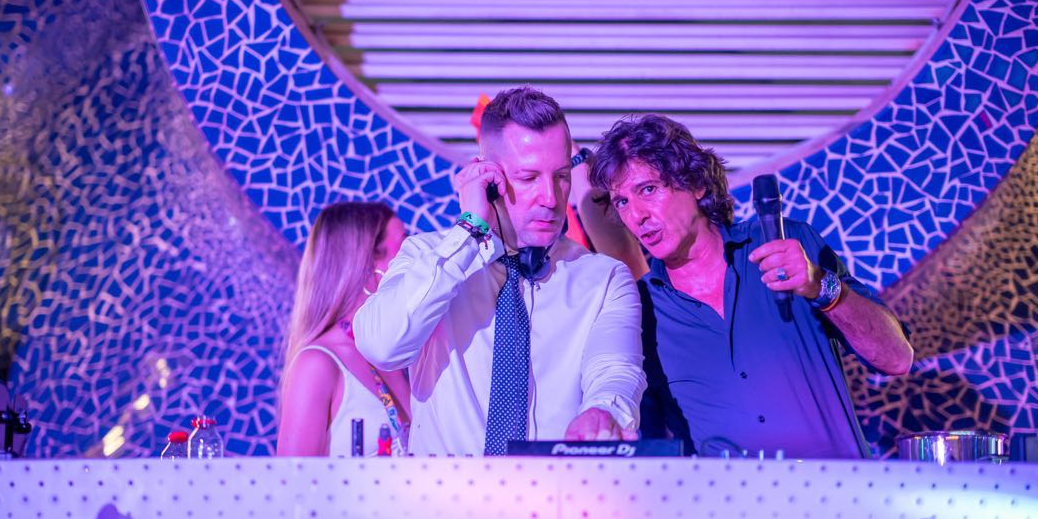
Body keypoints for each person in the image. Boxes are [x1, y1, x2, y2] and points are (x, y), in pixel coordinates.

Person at [586, 114, 913, 459]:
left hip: (835, 488)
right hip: (724, 494)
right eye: (622, 202)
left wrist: (822, 286)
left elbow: (896, 359)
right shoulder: (640, 308)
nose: (637, 216)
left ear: (695, 183)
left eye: (648, 190)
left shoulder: (784, 243)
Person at [353, 87, 646, 455]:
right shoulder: (428, 257)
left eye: (560, 176)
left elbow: (616, 371)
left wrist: (603, 412)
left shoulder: (603, 279)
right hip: (442, 490)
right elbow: (382, 347)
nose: (550, 198)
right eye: (528, 178)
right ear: (486, 176)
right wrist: (470, 230)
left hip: (557, 486)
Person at [277, 201, 410, 456]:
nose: (416, 256)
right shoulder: (317, 363)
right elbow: (290, 477)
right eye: (405, 244)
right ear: (368, 263)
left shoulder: (395, 353)